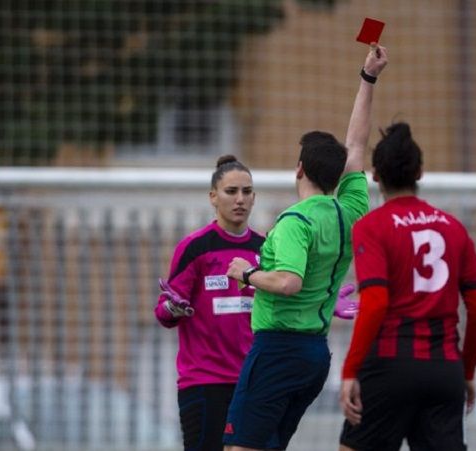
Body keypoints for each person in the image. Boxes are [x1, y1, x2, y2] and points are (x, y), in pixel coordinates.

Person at [222, 44, 389, 451]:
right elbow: (356, 145)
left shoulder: (295, 222)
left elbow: (288, 281)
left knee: (240, 447)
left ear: (299, 169)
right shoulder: (351, 211)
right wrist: (368, 78)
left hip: (277, 349)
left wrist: (246, 273)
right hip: (315, 354)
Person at [338, 122, 476, 451]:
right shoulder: (453, 228)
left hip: (389, 366)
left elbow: (375, 302)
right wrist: (465, 371)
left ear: (375, 175)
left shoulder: (371, 227)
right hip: (444, 369)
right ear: (419, 172)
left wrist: (350, 370)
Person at [154, 155, 264, 451]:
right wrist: (173, 308)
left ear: (254, 198)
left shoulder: (266, 249)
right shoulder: (195, 247)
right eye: (231, 191)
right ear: (213, 197)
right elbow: (163, 311)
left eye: (247, 191)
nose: (240, 199)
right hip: (204, 382)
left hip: (253, 381)